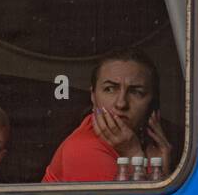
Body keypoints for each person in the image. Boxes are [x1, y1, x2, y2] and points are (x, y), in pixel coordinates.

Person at [42, 47, 173, 183]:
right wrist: (133, 154)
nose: (121, 103)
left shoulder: (150, 144)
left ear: (152, 103)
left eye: (136, 92)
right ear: (93, 96)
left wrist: (159, 170)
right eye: (110, 89)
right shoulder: (84, 149)